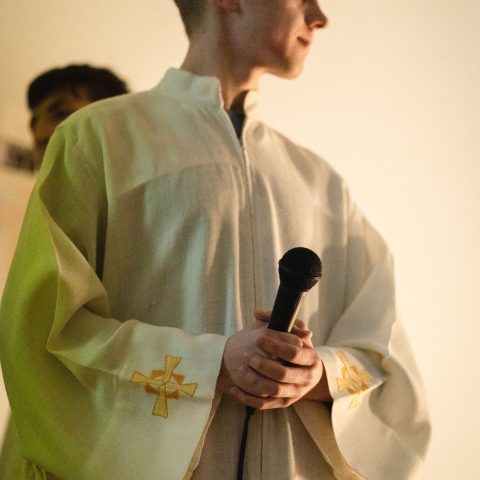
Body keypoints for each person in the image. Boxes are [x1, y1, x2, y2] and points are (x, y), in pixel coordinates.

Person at [0, 1, 430, 479]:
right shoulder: (96, 140)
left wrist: (314, 372)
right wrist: (210, 364)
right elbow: (44, 332)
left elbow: (383, 349)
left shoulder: (323, 184)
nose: (319, 16)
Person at [0, 63, 129, 479]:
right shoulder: (37, 210)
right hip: (32, 426)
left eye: (59, 112)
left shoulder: (138, 216)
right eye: (34, 120)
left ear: (108, 122)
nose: (40, 132)